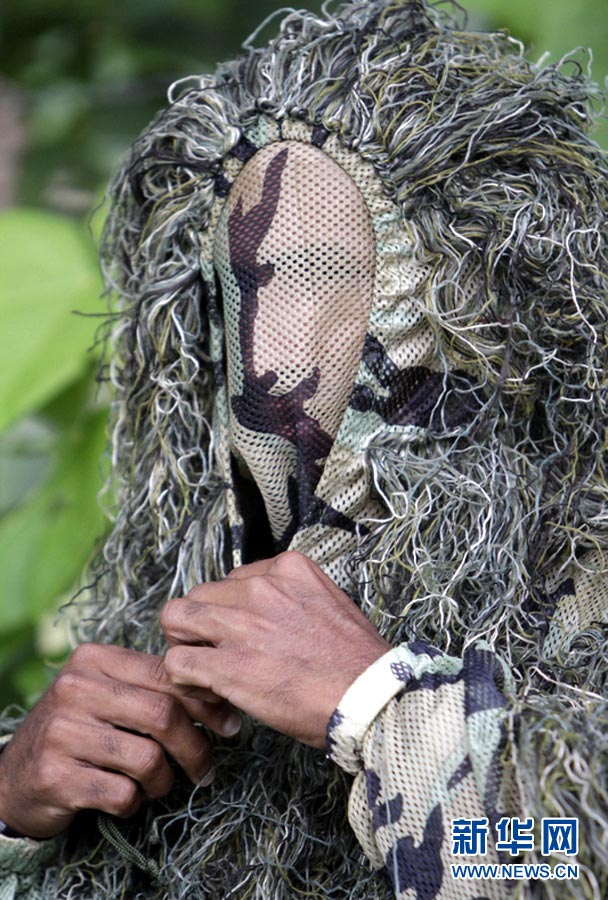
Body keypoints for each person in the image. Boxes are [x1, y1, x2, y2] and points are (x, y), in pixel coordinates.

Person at [0, 0, 606, 897]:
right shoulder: (188, 557)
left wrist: (373, 706)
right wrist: (16, 797)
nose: (280, 353)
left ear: (483, 312)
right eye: (252, 285)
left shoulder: (582, 571)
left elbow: (575, 860)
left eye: (334, 278)